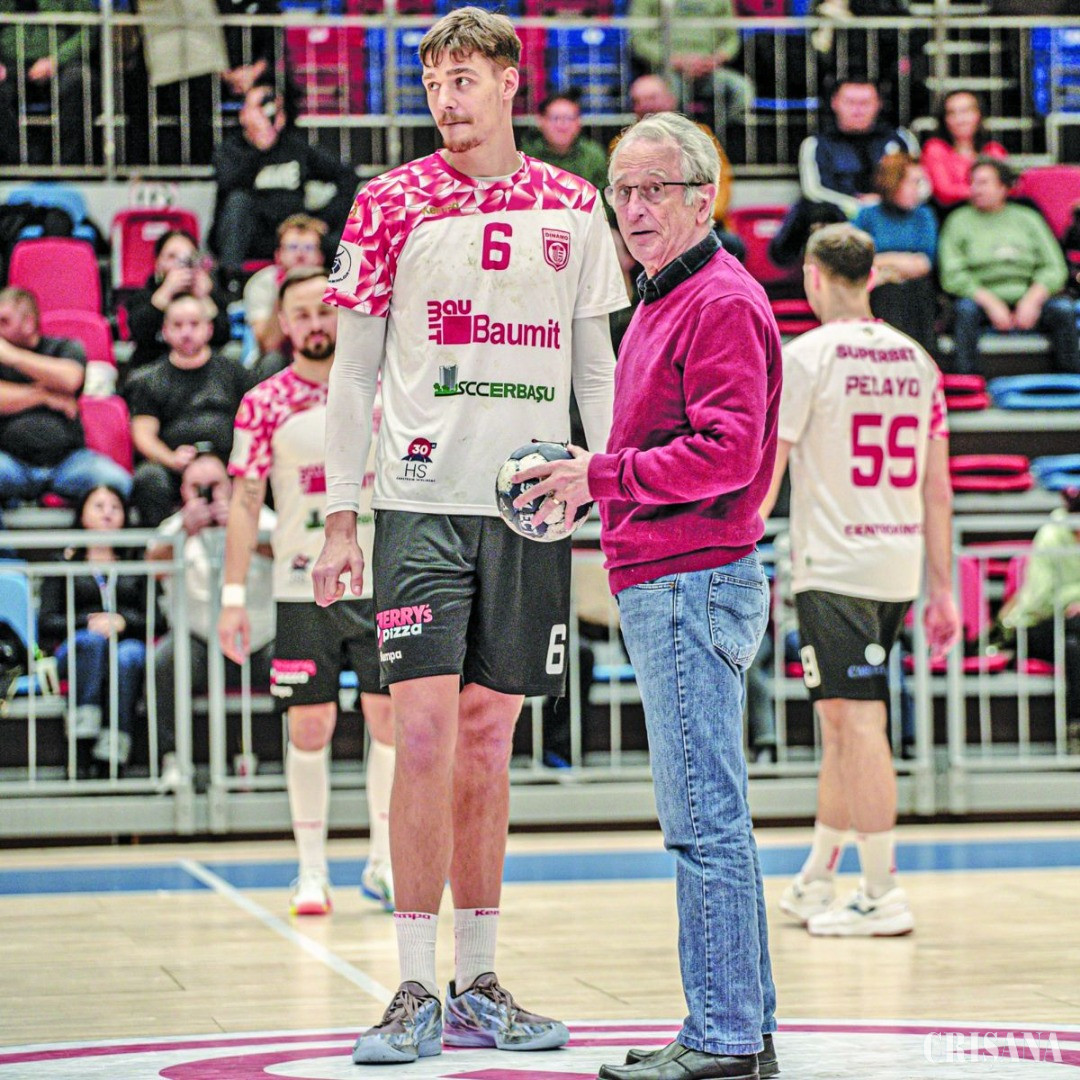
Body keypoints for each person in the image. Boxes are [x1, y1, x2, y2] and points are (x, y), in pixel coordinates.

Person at [312, 5, 626, 1063]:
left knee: (490, 739)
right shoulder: (387, 202)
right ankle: (410, 986)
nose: (446, 99)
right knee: (423, 736)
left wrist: (604, 478)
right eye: (433, 82)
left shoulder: (573, 203)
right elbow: (353, 373)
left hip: (531, 506)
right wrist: (341, 516)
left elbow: (596, 366)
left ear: (507, 82)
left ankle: (478, 982)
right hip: (418, 504)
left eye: (463, 79)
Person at [515, 110, 781, 1080]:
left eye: (653, 189)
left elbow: (727, 453)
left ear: (703, 200)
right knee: (714, 816)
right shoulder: (668, 297)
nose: (632, 207)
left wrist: (600, 475)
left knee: (701, 819)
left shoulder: (716, 300)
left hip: (688, 577)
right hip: (674, 577)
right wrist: (597, 471)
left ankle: (721, 1039)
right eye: (621, 190)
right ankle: (743, 1028)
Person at [760, 222, 960, 937]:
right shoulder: (918, 362)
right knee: (842, 723)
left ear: (813, 277)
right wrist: (944, 588)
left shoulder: (806, 356)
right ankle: (818, 876)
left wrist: (736, 541)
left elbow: (772, 466)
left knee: (860, 722)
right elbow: (939, 489)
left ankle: (881, 891)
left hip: (836, 565)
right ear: (871, 276)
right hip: (895, 564)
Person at [221, 267, 397, 916]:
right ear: (284, 323)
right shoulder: (264, 402)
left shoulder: (385, 388)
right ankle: (312, 871)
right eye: (302, 313)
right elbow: (245, 503)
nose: (316, 323)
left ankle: (385, 863)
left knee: (390, 721)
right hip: (302, 588)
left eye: (325, 311)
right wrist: (233, 597)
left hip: (384, 582)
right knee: (310, 724)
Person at [146, 452, 276, 790]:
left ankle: (276, 755)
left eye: (214, 485)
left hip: (259, 639)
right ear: (183, 491)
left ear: (230, 486)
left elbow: (287, 551)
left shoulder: (258, 518)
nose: (206, 494)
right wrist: (185, 533)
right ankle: (173, 759)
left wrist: (242, 530)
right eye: (196, 487)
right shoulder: (174, 526)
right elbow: (152, 565)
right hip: (198, 641)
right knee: (164, 661)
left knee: (297, 656)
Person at [37, 485, 150, 778]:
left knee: (128, 656)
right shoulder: (63, 563)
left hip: (125, 646)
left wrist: (123, 621)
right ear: (82, 515)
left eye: (115, 507)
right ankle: (81, 747)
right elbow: (46, 622)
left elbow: (157, 619)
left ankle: (112, 755)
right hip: (76, 649)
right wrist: (87, 622)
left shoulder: (136, 563)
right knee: (91, 643)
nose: (107, 513)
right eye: (99, 506)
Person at [209, 80, 356, 292]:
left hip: (292, 231)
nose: (267, 114)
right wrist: (260, 150)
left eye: (273, 108)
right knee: (238, 202)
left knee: (347, 231)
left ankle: (345, 294)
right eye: (259, 107)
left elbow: (346, 176)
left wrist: (323, 219)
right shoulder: (230, 150)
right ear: (243, 115)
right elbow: (229, 185)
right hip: (251, 235)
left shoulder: (295, 147)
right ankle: (230, 285)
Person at [938, 156, 1078, 377]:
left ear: (1003, 187)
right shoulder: (958, 220)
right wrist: (991, 302)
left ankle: (1070, 380)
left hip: (1030, 296)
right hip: (979, 299)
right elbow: (952, 274)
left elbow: (1055, 267)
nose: (976, 189)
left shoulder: (1028, 218)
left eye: (983, 183)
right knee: (964, 311)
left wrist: (1032, 299)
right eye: (972, 183)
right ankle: (969, 382)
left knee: (1063, 310)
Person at [0, 287, 132, 510]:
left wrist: (12, 357)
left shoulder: (64, 347)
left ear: (29, 322)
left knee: (118, 482)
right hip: (11, 462)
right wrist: (44, 395)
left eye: (4, 321)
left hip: (69, 463)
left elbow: (70, 378)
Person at [126, 293, 251, 527]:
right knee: (148, 478)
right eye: (177, 325)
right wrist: (171, 459)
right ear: (165, 331)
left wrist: (233, 463)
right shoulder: (149, 380)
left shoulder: (235, 374)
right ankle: (162, 544)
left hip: (231, 466)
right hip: (175, 470)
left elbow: (254, 426)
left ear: (209, 329)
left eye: (194, 324)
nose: (186, 332)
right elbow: (143, 435)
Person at [768, 76, 919, 267]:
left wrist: (883, 203)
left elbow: (921, 183)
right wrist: (859, 206)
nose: (858, 109)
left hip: (893, 211)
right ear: (835, 103)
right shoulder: (816, 144)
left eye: (865, 103)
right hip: (841, 214)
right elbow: (814, 191)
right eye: (850, 102)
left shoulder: (902, 139)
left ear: (878, 104)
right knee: (814, 211)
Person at [996, 486, 1080, 750]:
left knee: (1073, 646)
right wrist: (1071, 600)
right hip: (1035, 625)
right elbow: (1039, 600)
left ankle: (1075, 727)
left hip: (1071, 633)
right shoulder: (1050, 536)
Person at [853, 152, 939, 354]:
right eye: (913, 183)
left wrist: (881, 260)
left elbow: (924, 264)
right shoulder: (867, 215)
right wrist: (905, 260)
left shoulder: (924, 215)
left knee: (916, 292)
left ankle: (922, 360)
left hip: (917, 292)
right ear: (893, 182)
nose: (918, 190)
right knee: (888, 292)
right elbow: (857, 259)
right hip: (878, 291)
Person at [0, 0, 97, 165]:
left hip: (59, 63)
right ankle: (22, 164)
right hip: (8, 64)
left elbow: (89, 29)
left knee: (81, 80)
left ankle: (66, 166)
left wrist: (56, 60)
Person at [628, 0, 752, 127]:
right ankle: (672, 135)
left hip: (709, 68)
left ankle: (722, 134)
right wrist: (674, 60)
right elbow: (639, 41)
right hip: (667, 70)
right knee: (663, 97)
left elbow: (731, 39)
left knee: (741, 89)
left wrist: (715, 59)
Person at [124, 229, 232, 371]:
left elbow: (222, 336)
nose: (180, 263)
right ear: (158, 263)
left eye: (188, 256)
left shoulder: (211, 296)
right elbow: (139, 333)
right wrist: (166, 292)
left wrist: (204, 297)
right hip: (152, 369)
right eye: (172, 257)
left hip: (204, 372)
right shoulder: (144, 296)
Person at [243, 214, 327, 362]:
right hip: (278, 357)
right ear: (278, 255)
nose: (300, 255)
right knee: (273, 360)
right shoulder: (262, 284)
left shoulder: (332, 285)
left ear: (320, 257)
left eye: (309, 248)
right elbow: (268, 344)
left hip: (321, 352)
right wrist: (286, 291)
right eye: (292, 247)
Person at [921, 90, 1008, 214]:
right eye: (951, 113)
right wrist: (987, 192)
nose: (960, 119)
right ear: (944, 119)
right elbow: (944, 193)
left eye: (966, 111)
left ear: (979, 115)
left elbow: (1007, 188)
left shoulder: (994, 150)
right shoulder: (934, 149)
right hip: (949, 216)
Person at [519, 89, 608, 192]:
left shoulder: (594, 156)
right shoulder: (526, 156)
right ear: (540, 121)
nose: (561, 125)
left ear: (579, 122)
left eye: (569, 118)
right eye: (555, 118)